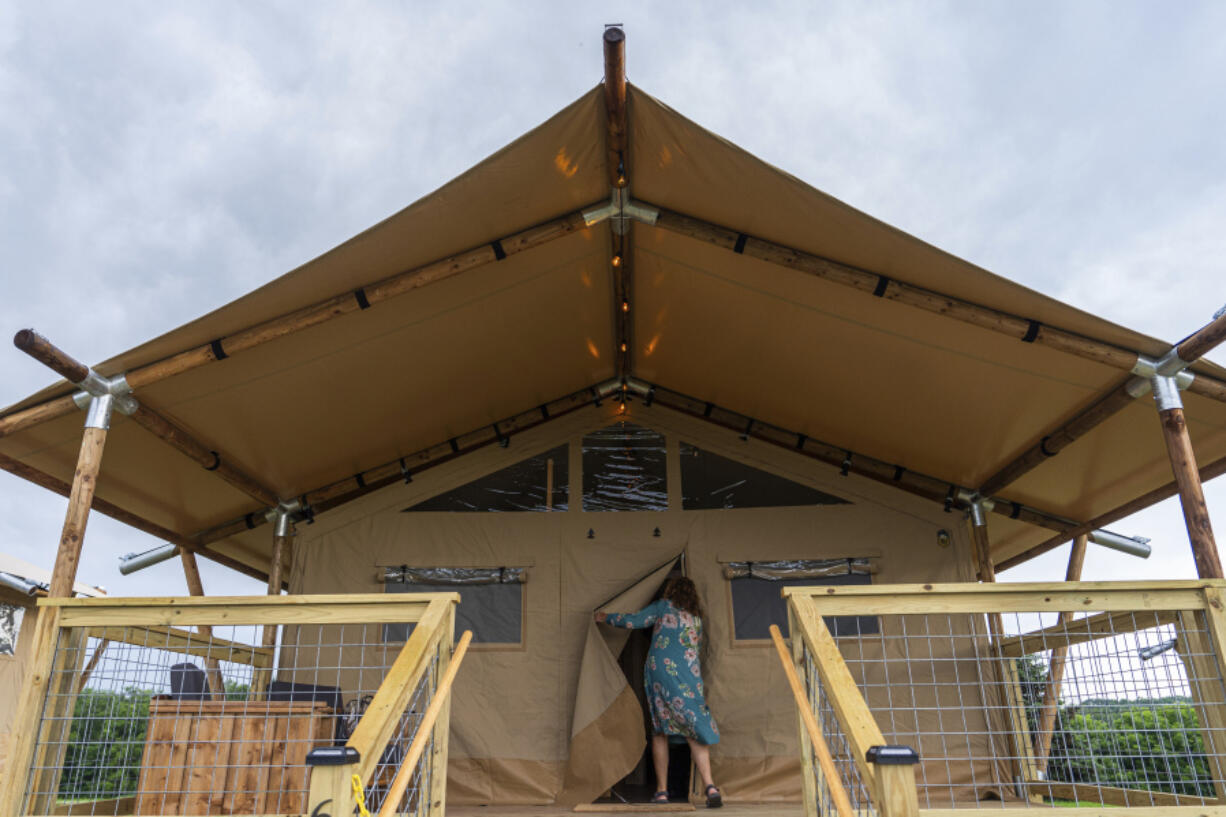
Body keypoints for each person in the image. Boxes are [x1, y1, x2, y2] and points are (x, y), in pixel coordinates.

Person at [596, 577, 722, 808]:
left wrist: (607, 617)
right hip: (690, 677)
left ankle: (662, 791)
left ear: (670, 592)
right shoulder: (696, 620)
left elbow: (636, 621)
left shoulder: (663, 607)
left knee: (659, 731)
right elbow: (694, 650)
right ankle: (710, 786)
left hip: (661, 674)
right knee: (694, 730)